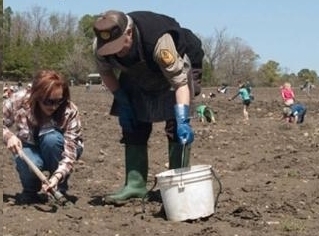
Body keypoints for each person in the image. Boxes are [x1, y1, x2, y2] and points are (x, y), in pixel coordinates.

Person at [92, 10, 204, 204]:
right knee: (133, 124)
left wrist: (183, 118)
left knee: (175, 125)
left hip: (179, 67)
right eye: (110, 48)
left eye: (119, 46)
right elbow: (107, 74)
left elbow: (180, 84)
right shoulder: (100, 47)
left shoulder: (160, 43)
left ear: (129, 33)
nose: (116, 52)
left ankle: (178, 185)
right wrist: (122, 100)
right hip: (137, 74)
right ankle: (135, 185)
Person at [3, 70, 84, 204]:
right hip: (30, 146)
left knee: (51, 139)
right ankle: (30, 191)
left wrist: (57, 176)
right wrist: (8, 136)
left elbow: (70, 152)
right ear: (36, 96)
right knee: (22, 156)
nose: (54, 106)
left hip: (59, 149)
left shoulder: (70, 110)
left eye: (59, 101)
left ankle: (59, 189)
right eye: (48, 101)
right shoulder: (19, 99)